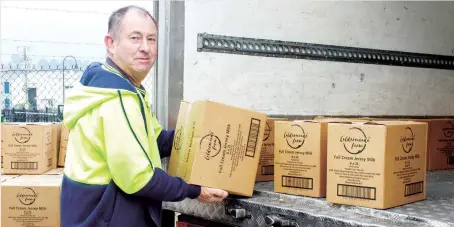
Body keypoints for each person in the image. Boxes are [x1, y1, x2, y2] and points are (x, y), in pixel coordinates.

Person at [60, 5, 228, 227]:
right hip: (106, 216)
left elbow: (154, 140)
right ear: (111, 43)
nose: (146, 48)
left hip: (92, 211)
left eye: (151, 39)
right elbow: (138, 179)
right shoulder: (116, 99)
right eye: (135, 38)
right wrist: (194, 190)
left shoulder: (120, 88)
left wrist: (203, 136)